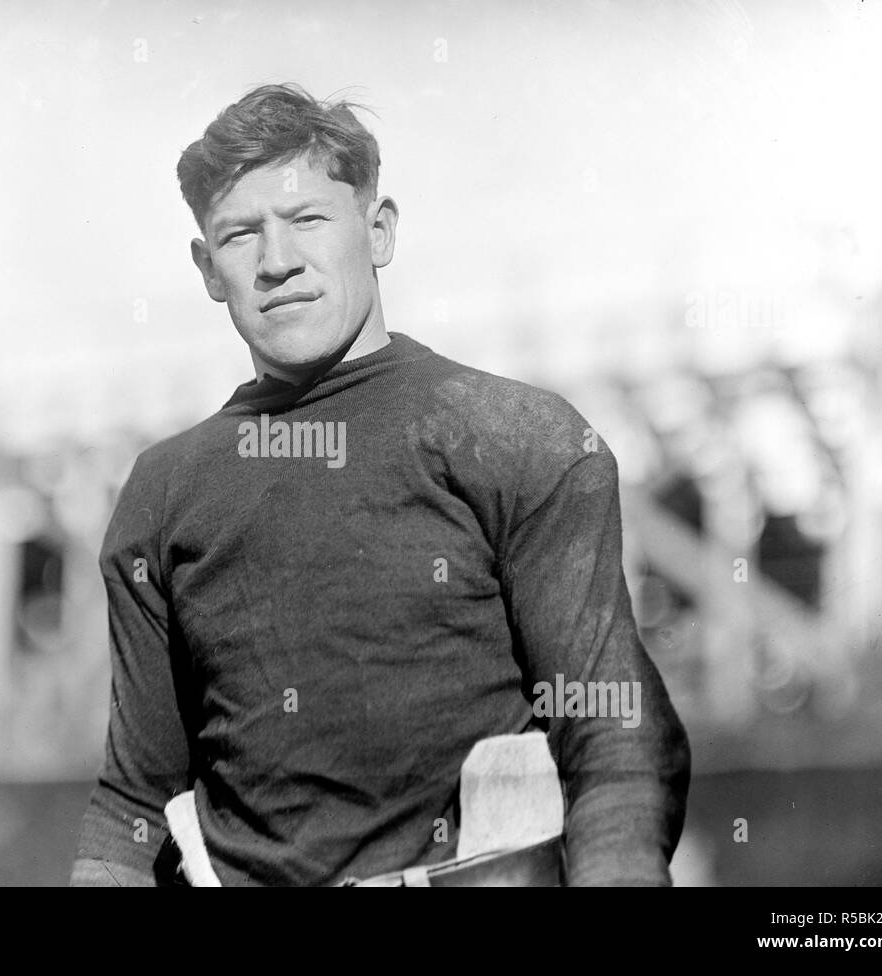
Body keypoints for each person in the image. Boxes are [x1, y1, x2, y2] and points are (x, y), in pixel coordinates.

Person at [70, 83, 690, 887]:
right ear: (207, 269)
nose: (277, 261)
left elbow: (611, 730)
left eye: (307, 220)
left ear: (379, 228)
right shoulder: (163, 492)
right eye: (239, 235)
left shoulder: (516, 437)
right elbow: (135, 798)